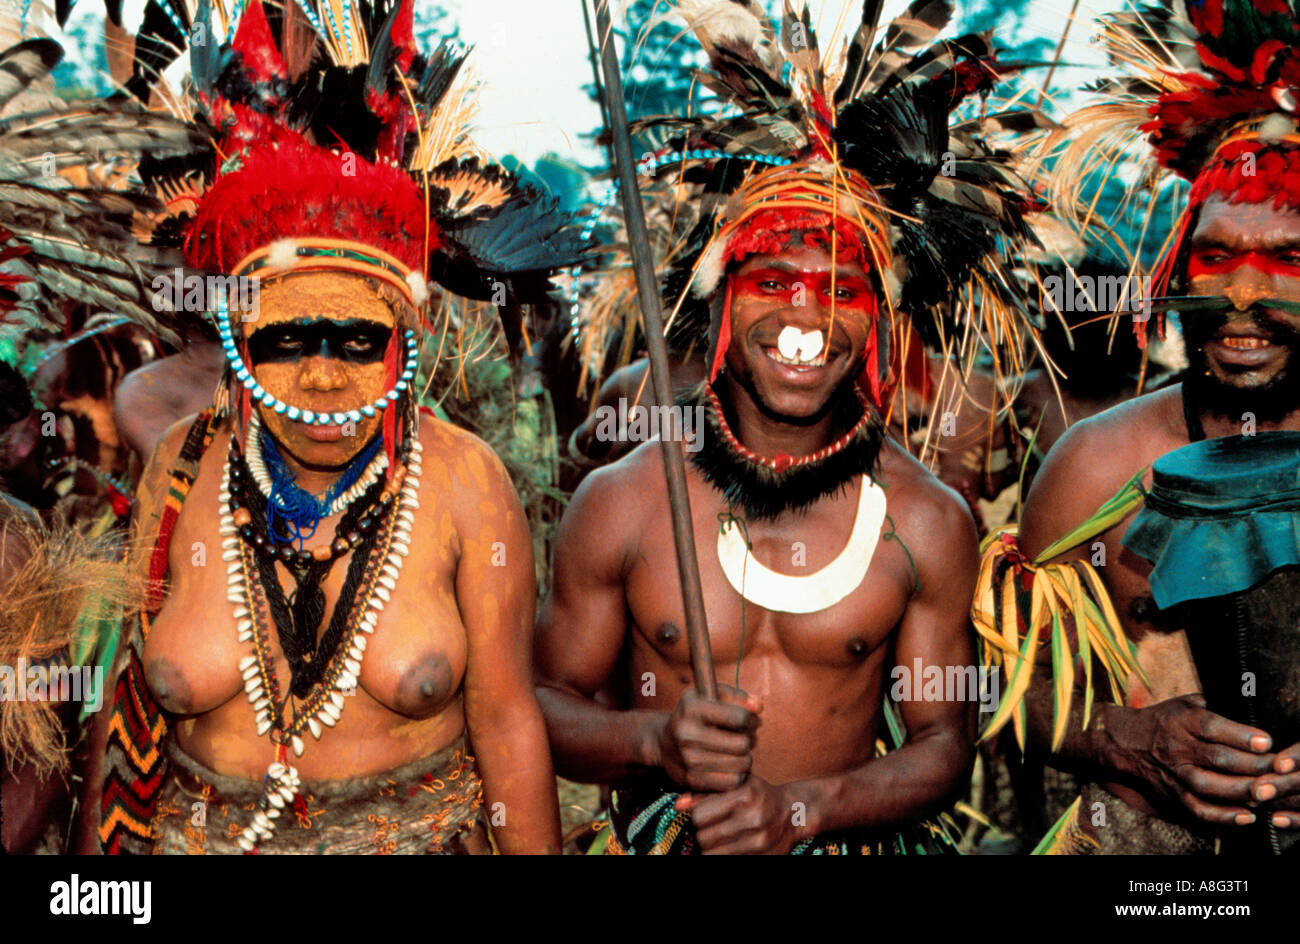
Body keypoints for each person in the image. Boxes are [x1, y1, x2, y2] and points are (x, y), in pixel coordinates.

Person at [535, 0, 1043, 854]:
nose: (806, 316)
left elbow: (944, 745)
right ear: (722, 305)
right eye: (772, 280)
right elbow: (546, 700)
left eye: (843, 289)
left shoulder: (925, 523)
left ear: (880, 324)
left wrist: (801, 810)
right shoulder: (623, 502)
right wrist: (651, 742)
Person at [91, 0, 585, 855]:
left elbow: (508, 729)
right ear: (239, 342)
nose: (322, 376)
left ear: (403, 340)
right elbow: (119, 720)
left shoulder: (467, 483)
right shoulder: (179, 465)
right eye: (286, 341)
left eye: (357, 341)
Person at [975, 0, 1300, 854]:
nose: (1241, 297)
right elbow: (1012, 682)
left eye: (1288, 261)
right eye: (1218, 255)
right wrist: (1132, 740)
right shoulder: (1099, 465)